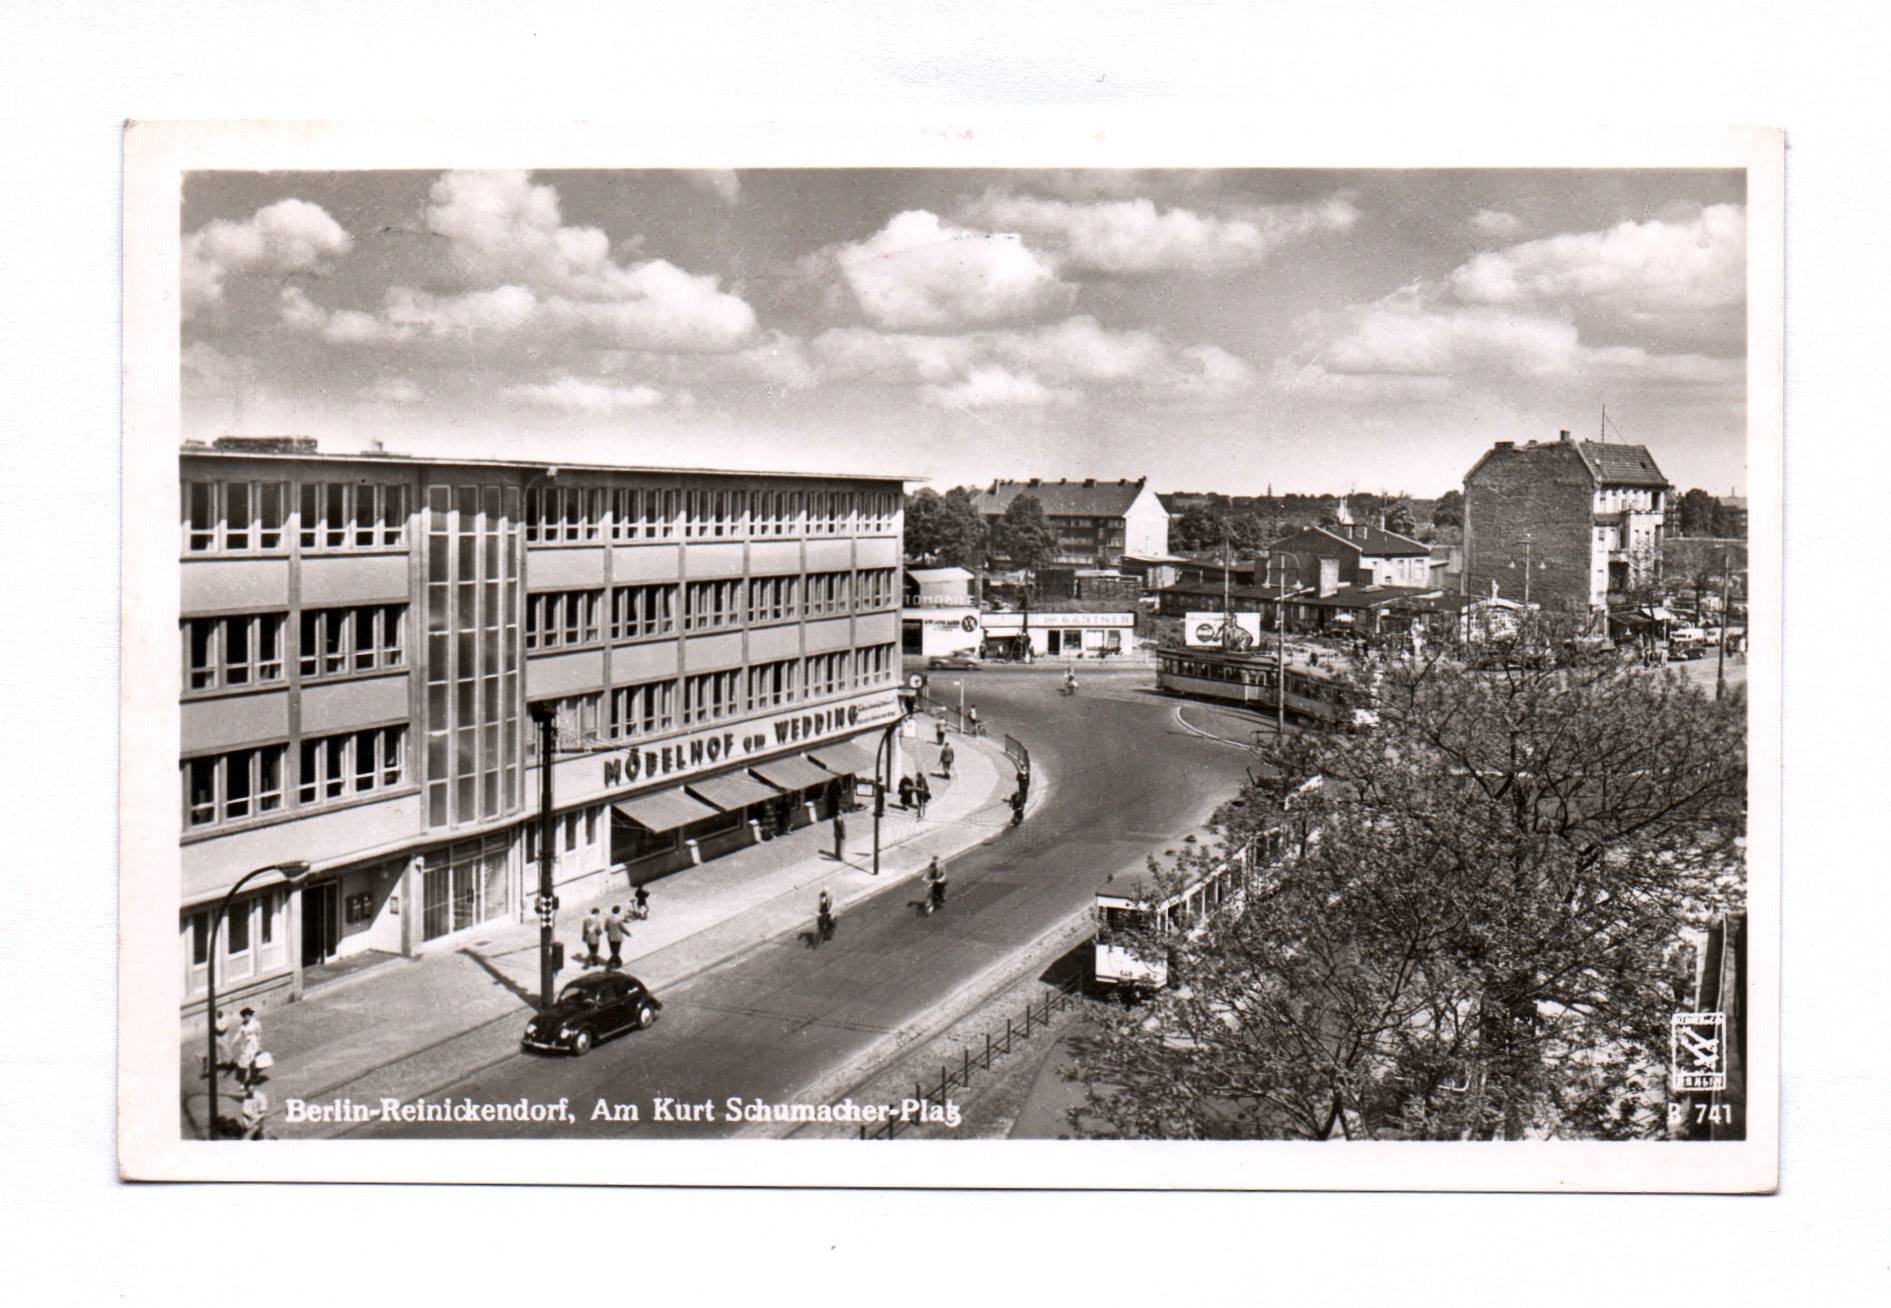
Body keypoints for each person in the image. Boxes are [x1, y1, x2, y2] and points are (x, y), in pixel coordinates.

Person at [234, 1007, 262, 1089]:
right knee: (242, 1063)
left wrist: (259, 1045)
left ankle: (250, 1082)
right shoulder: (243, 1024)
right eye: (244, 1016)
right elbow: (239, 1034)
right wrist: (234, 1041)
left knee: (251, 1063)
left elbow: (259, 1034)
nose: (245, 1018)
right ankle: (242, 1082)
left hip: (254, 1044)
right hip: (245, 1045)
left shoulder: (256, 1023)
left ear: (249, 1015)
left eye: (246, 1015)